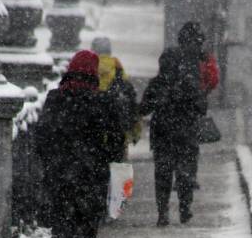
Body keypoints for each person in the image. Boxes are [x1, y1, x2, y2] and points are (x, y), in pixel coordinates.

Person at [35, 50, 125, 238]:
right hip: (91, 178)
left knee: (62, 230)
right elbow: (117, 142)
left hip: (60, 177)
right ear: (94, 72)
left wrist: (53, 161)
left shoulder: (55, 98)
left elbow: (41, 137)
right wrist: (104, 159)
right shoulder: (103, 102)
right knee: (86, 233)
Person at [140, 48, 207, 226]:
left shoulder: (156, 84)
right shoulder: (188, 83)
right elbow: (202, 107)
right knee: (184, 175)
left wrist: (158, 103)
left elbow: (143, 109)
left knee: (162, 176)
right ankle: (185, 208)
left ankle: (163, 212)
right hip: (185, 136)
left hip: (162, 136)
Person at [175, 22, 219, 191]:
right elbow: (213, 79)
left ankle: (179, 174)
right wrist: (203, 91)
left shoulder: (176, 55)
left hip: (177, 104)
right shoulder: (205, 57)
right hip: (196, 104)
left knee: (178, 139)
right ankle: (190, 175)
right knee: (192, 141)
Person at [92, 36, 141, 150]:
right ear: (109, 51)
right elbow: (132, 106)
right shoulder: (118, 69)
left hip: (93, 136)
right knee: (118, 166)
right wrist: (135, 132)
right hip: (116, 135)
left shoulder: (89, 68)